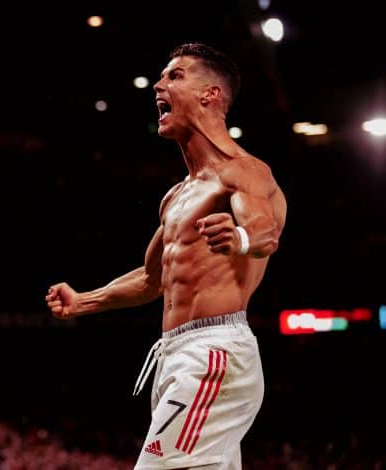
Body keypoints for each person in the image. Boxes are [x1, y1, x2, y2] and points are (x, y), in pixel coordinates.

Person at [45, 43, 287, 469]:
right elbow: (151, 279)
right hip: (176, 354)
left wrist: (240, 237)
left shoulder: (244, 170)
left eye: (175, 75)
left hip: (214, 354)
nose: (158, 85)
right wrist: (84, 301)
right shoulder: (176, 196)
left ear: (210, 94)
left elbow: (266, 231)